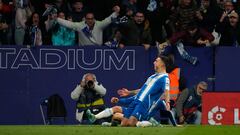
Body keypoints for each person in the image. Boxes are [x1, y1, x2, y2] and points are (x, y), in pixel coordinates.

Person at [51, 5, 120, 46]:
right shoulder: (80, 25)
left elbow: (108, 20)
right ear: (85, 19)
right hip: (83, 51)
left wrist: (116, 12)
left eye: (91, 19)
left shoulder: (100, 25)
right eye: (88, 19)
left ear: (94, 19)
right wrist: (56, 18)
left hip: (97, 50)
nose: (90, 20)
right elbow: (68, 24)